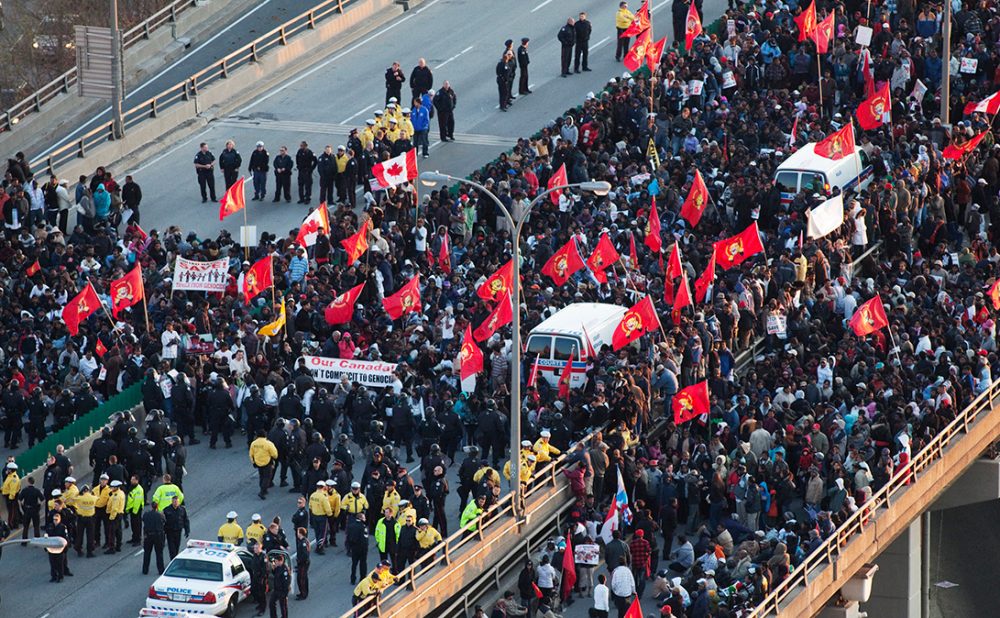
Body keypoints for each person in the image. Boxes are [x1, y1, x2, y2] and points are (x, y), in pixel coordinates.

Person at [250, 429, 280, 499]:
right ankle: (262, 491)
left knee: (261, 476)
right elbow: (274, 454)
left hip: (258, 462)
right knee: (267, 477)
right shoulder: (268, 443)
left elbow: (251, 454)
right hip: (267, 462)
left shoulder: (253, 443)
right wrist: (274, 458)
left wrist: (253, 462)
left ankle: (263, 488)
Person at [141, 501, 166, 575]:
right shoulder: (160, 515)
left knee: (147, 553)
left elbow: (143, 520)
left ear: (151, 506)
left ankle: (145, 570)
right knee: (159, 553)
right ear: (157, 507)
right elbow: (164, 521)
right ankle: (161, 570)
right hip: (158, 536)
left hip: (148, 535)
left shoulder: (146, 514)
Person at [46, 510, 70, 582]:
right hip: (51, 548)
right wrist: (46, 547)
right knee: (52, 563)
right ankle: (53, 576)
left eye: (56, 519)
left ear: (59, 520)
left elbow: (66, 538)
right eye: (54, 519)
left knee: (60, 564)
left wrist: (65, 548)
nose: (55, 521)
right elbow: (46, 537)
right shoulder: (50, 526)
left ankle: (60, 577)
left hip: (60, 548)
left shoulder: (63, 527)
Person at [309, 480, 332, 554]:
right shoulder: (323, 497)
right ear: (324, 487)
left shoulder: (312, 495)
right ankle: (320, 547)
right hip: (322, 517)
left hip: (314, 516)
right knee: (323, 533)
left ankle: (318, 544)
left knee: (317, 531)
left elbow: (310, 506)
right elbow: (327, 508)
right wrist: (330, 515)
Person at [163, 495, 189, 559]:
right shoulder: (166, 510)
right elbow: (163, 522)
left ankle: (174, 558)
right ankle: (173, 559)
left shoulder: (182, 510)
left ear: (179, 502)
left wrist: (187, 530)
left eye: (177, 502)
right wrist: (163, 533)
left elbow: (185, 520)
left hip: (178, 531)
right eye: (174, 502)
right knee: (172, 549)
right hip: (170, 531)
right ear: (172, 502)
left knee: (177, 546)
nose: (176, 503)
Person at [346, 512, 370, 584]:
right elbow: (365, 538)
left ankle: (352, 578)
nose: (365, 519)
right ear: (360, 518)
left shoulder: (351, 526)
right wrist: (366, 547)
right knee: (363, 563)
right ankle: (362, 578)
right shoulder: (363, 527)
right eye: (364, 517)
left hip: (354, 547)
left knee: (354, 564)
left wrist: (349, 547)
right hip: (362, 548)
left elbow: (348, 537)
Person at [105, 480, 125, 554]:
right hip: (119, 514)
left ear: (116, 487)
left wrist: (111, 517)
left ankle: (111, 548)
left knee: (112, 532)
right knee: (118, 530)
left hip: (115, 515)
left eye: (112, 487)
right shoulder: (121, 493)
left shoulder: (116, 496)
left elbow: (114, 508)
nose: (111, 488)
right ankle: (118, 546)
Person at [269, 552, 291, 618]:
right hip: (276, 590)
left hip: (282, 591)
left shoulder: (285, 570)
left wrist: (285, 594)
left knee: (283, 607)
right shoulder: (278, 567)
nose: (275, 562)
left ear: (280, 561)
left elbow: (286, 583)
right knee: (271, 603)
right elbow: (275, 574)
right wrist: (273, 568)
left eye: (276, 561)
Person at [125, 474, 144, 545]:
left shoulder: (139, 489)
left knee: (137, 525)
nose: (131, 480)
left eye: (133, 479)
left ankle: (138, 540)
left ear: (137, 480)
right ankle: (134, 538)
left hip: (136, 510)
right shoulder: (132, 487)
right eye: (131, 479)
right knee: (133, 525)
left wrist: (135, 511)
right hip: (132, 509)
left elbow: (137, 501)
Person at [295, 526, 310, 600]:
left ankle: (303, 594)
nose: (297, 533)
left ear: (300, 533)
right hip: (303, 562)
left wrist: (299, 560)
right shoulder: (303, 541)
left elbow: (305, 555)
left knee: (301, 579)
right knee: (303, 578)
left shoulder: (303, 542)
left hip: (303, 563)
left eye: (298, 532)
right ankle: (303, 592)